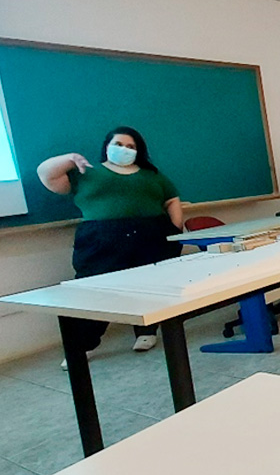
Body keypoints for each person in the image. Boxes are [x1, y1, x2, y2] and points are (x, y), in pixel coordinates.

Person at [38, 126, 184, 366]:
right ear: (106, 146)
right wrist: (69, 158)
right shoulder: (85, 172)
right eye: (118, 144)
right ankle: (84, 345)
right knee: (94, 289)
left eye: (130, 147)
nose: (124, 150)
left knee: (148, 286)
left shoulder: (151, 174)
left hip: (151, 234)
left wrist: (175, 228)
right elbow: (47, 175)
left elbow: (171, 198)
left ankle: (146, 331)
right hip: (101, 238)